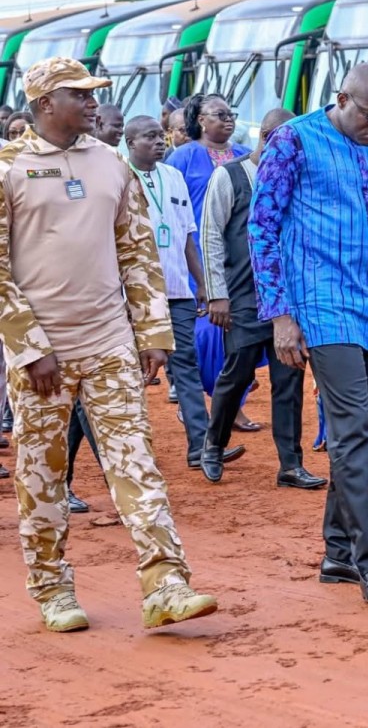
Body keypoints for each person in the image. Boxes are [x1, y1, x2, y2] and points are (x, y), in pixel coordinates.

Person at [0, 56, 217, 632]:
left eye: (95, 93)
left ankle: (166, 582)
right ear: (45, 103)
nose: (95, 102)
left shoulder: (110, 164)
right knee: (42, 473)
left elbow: (137, 252)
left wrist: (150, 334)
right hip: (41, 355)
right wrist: (29, 348)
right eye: (81, 94)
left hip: (109, 342)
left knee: (136, 462)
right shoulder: (8, 166)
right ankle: (51, 588)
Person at [249, 63, 368, 604]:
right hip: (319, 304)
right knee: (354, 433)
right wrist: (280, 314)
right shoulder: (293, 141)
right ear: (341, 98)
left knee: (352, 436)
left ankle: (335, 552)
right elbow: (262, 227)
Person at [200, 108, 323, 489]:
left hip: (289, 298)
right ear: (267, 137)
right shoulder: (230, 176)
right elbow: (211, 235)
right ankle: (213, 444)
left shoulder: (296, 179)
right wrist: (217, 294)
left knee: (289, 379)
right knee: (237, 373)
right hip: (242, 296)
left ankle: (290, 464)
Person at [122, 115, 230, 470]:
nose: (159, 141)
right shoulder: (118, 177)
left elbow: (187, 237)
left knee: (186, 365)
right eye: (149, 137)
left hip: (178, 290)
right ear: (130, 142)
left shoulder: (173, 177)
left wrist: (201, 283)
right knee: (130, 372)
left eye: (160, 135)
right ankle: (131, 453)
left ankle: (200, 446)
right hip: (131, 296)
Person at [167, 93, 258, 432]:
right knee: (204, 335)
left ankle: (232, 406)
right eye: (219, 114)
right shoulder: (183, 157)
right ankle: (196, 402)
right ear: (201, 121)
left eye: (230, 113)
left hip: (241, 260)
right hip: (196, 258)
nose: (228, 119)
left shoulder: (243, 156)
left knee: (240, 333)